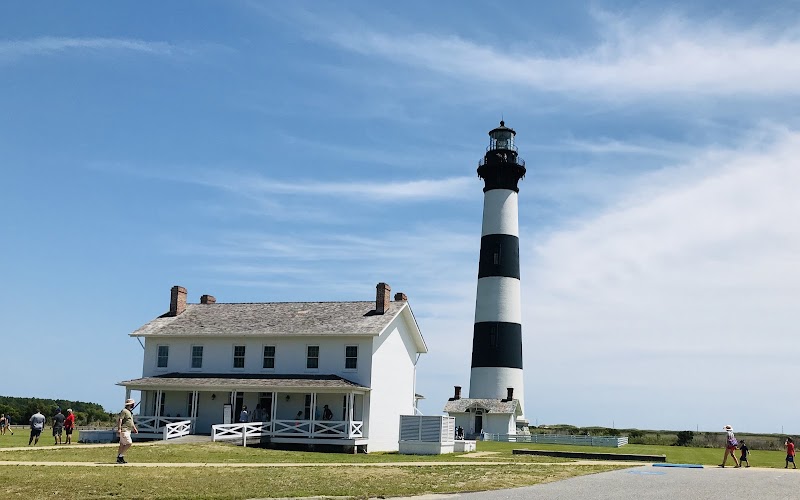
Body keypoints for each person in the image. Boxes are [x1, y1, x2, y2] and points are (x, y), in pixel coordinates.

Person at [116, 398, 138, 464]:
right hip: (124, 430)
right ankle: (120, 456)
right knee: (129, 443)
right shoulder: (124, 411)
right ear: (130, 404)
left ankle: (120, 458)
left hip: (128, 430)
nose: (133, 405)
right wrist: (119, 428)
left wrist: (134, 428)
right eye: (132, 404)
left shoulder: (130, 412)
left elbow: (131, 421)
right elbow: (120, 420)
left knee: (122, 444)